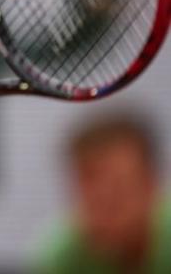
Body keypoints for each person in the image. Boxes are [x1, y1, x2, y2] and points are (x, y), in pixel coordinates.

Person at [33, 113, 171, 273]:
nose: (104, 208)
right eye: (90, 193)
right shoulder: (61, 257)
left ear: (151, 183)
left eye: (118, 189)